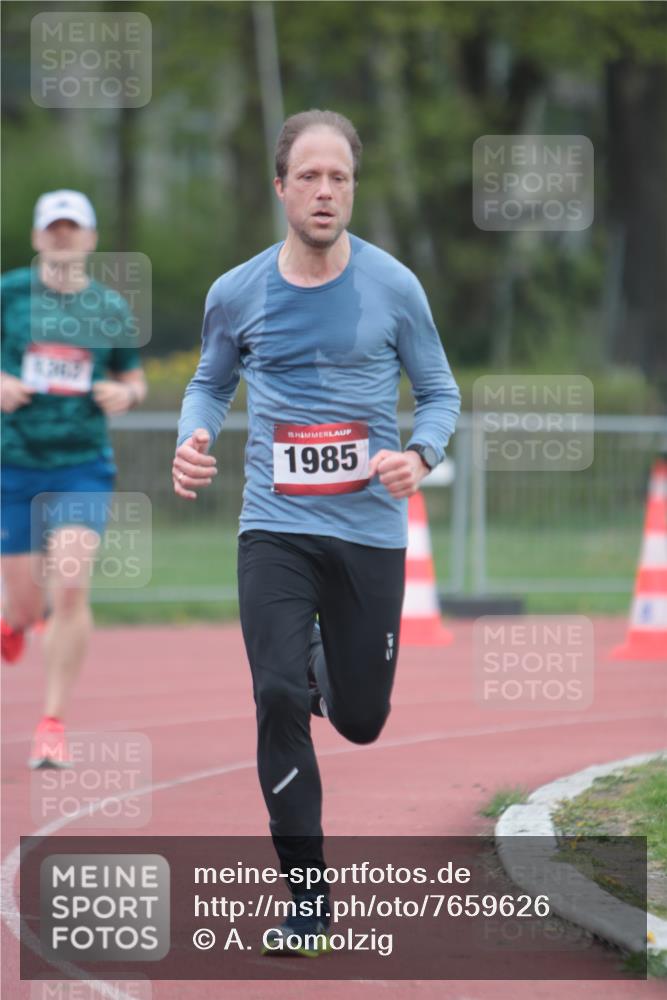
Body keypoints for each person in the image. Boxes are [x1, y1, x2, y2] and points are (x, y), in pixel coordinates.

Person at [174, 110, 460, 955]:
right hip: (275, 526)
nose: (324, 191)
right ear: (281, 188)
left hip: (367, 531)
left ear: (353, 189)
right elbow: (207, 384)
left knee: (361, 719)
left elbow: (440, 394)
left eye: (338, 177)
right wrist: (193, 438)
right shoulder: (236, 292)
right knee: (274, 697)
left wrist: (420, 454)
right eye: (309, 176)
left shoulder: (392, 287)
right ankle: (307, 903)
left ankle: (315, 661)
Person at [1, 189, 147, 767]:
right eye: (53, 228)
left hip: (81, 466)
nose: (62, 236)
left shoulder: (110, 307)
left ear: (90, 238)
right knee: (25, 605)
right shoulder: (10, 293)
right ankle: (13, 621)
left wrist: (126, 395)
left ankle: (52, 722)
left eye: (72, 227)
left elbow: (131, 377)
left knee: (69, 584)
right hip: (14, 464)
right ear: (37, 236)